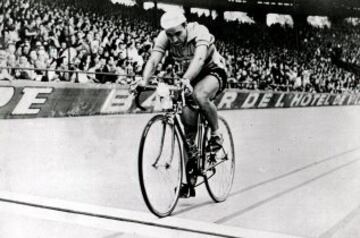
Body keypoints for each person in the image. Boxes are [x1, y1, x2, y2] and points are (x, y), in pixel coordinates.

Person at [138, 11, 228, 197]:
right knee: (188, 133)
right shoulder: (165, 35)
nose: (174, 39)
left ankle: (217, 133)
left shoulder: (200, 31)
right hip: (188, 76)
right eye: (170, 35)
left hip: (212, 71)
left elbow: (200, 58)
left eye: (178, 33)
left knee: (199, 95)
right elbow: (154, 59)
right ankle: (189, 181)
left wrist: (185, 79)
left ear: (186, 25)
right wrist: (143, 80)